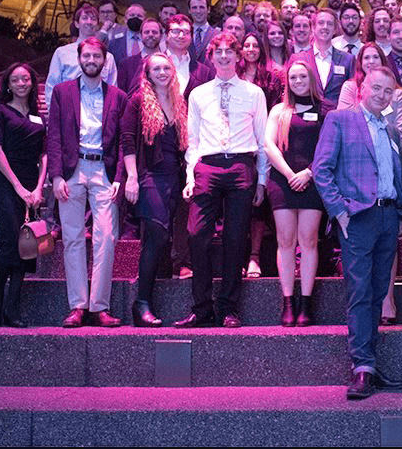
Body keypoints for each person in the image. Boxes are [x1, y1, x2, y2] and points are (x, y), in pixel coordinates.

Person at [313, 67, 402, 400]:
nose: (382, 96)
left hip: (387, 217)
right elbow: (321, 169)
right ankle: (362, 368)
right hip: (357, 218)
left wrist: (401, 212)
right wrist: (339, 210)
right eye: (377, 89)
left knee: (378, 292)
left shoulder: (391, 129)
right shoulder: (340, 120)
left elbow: (399, 174)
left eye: (388, 92)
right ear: (362, 88)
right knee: (359, 293)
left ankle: (369, 365)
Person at [176, 32, 269, 329]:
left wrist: (262, 181)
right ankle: (201, 308)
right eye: (219, 51)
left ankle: (228, 308)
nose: (225, 56)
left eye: (230, 51)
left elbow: (263, 141)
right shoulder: (198, 93)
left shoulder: (254, 93)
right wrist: (190, 176)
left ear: (239, 56)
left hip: (242, 165)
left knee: (234, 238)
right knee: (197, 234)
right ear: (211, 56)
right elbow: (193, 141)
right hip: (208, 165)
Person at [47, 37, 128, 328]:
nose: (92, 61)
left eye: (97, 56)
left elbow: (122, 142)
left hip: (103, 172)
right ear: (79, 58)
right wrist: (56, 176)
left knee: (106, 237)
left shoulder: (118, 96)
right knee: (72, 238)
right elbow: (53, 135)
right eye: (87, 56)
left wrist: (120, 176)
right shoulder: (62, 92)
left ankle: (99, 306)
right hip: (72, 170)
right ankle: (78, 306)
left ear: (105, 61)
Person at [120, 53, 187, 327]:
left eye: (165, 68)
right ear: (146, 73)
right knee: (156, 235)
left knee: (163, 237)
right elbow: (126, 140)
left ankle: (147, 301)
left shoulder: (178, 100)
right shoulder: (137, 101)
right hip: (149, 176)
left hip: (175, 177)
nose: (161, 72)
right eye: (155, 68)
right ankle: (141, 303)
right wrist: (132, 177)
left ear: (172, 71)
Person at [265, 62, 328, 326]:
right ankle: (288, 300)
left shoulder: (325, 111)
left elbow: (328, 148)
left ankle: (306, 302)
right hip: (283, 181)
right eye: (293, 77)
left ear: (311, 79)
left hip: (313, 182)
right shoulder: (280, 110)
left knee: (309, 240)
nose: (298, 80)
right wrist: (291, 174)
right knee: (286, 241)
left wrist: (309, 173)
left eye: (303, 76)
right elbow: (268, 145)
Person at [0, 63, 47, 328]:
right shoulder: (0, 112)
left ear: (32, 83)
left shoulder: (38, 117)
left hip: (32, 183)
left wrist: (37, 188)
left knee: (28, 245)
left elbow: (44, 155)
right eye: (16, 79)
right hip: (7, 182)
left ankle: (13, 305)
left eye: (26, 79)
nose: (22, 83)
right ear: (8, 85)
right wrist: (19, 188)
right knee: (10, 241)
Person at [239, 32, 283, 278]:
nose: (251, 49)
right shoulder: (232, 76)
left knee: (259, 201)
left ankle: (255, 256)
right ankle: (237, 255)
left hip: (265, 140)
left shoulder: (273, 77)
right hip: (239, 143)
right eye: (246, 45)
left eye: (256, 45)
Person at [45, 3, 117, 109]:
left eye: (93, 19)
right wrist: (53, 113)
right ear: (77, 23)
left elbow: (112, 90)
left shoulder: (108, 57)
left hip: (97, 115)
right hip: (67, 111)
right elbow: (52, 85)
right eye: (84, 18)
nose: (89, 22)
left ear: (97, 24)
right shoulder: (62, 53)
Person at [337, 43, 402, 140]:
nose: (371, 61)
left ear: (382, 61)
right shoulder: (350, 88)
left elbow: (400, 134)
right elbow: (343, 123)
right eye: (366, 58)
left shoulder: (396, 93)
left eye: (376, 57)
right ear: (360, 62)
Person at [289, 8, 355, 109]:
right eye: (321, 23)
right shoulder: (298, 59)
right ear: (313, 28)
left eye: (329, 24)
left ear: (335, 29)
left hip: (337, 118)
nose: (325, 27)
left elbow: (352, 94)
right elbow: (290, 94)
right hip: (306, 119)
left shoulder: (348, 60)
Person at [117, 17, 163, 95]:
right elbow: (122, 96)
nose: (150, 34)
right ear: (141, 35)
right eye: (147, 32)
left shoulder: (169, 63)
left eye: (154, 32)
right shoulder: (126, 65)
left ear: (161, 35)